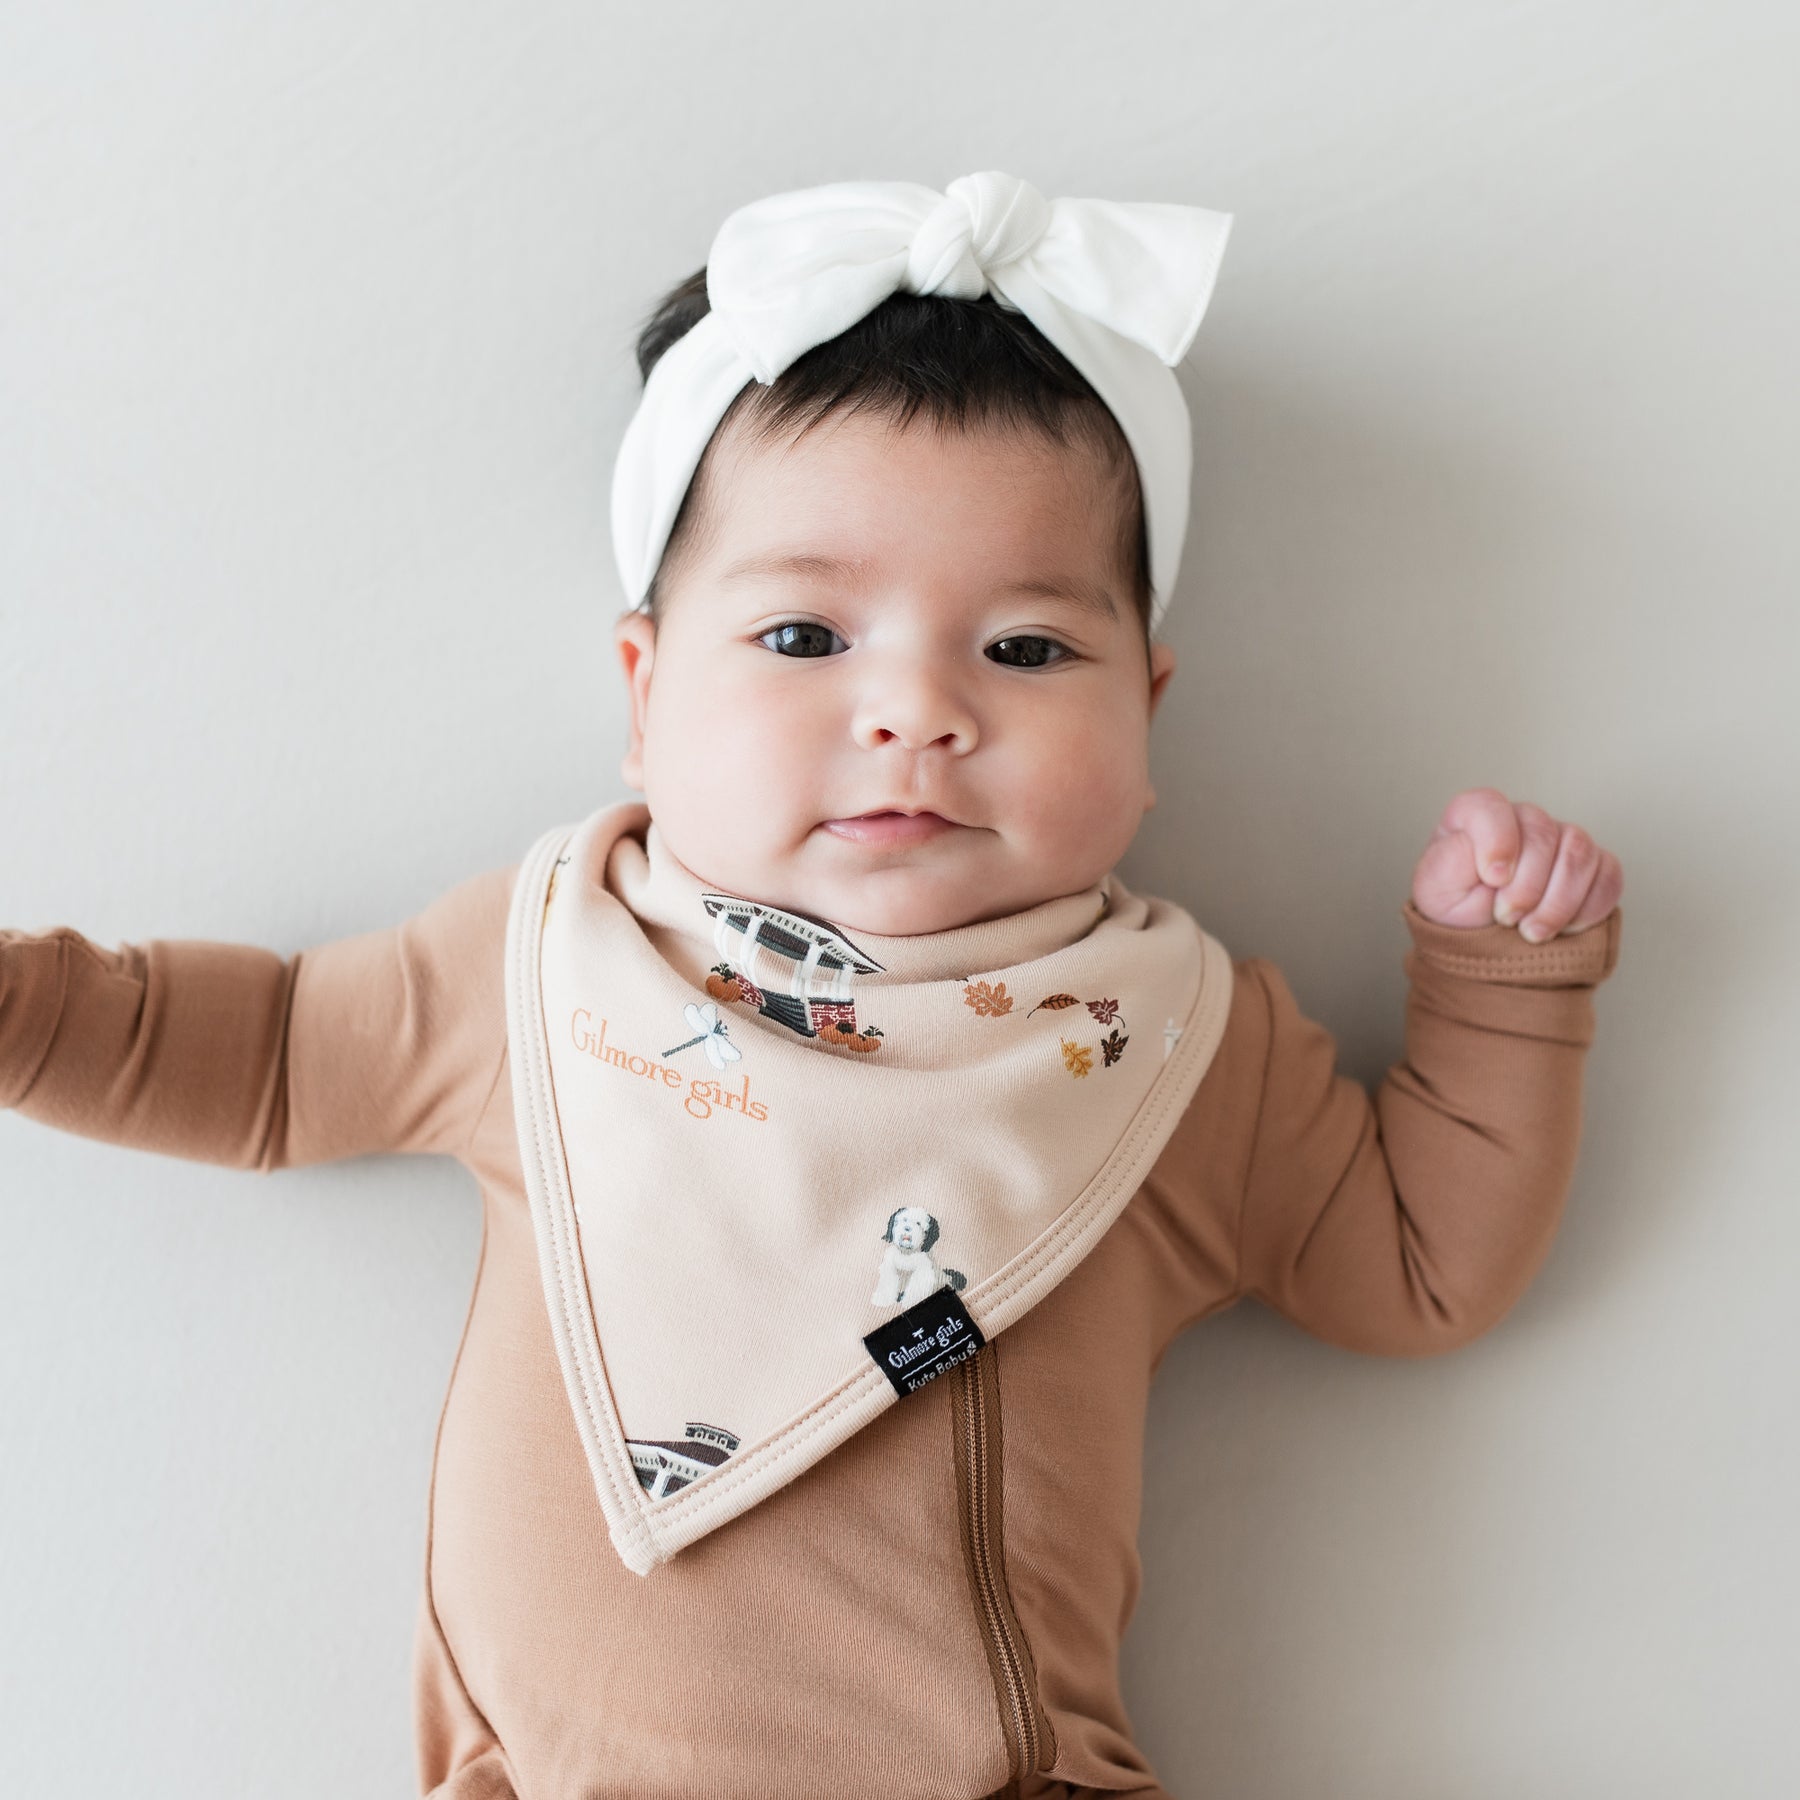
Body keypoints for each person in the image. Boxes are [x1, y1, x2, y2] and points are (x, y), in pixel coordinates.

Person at [0, 173, 1624, 1799]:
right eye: (801, 639)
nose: (913, 708)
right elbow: (268, 1056)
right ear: (645, 695)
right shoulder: (551, 963)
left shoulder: (1168, 1042)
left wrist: (1503, 992)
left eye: (1029, 650)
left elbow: (1419, 1266)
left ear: (1151, 707)